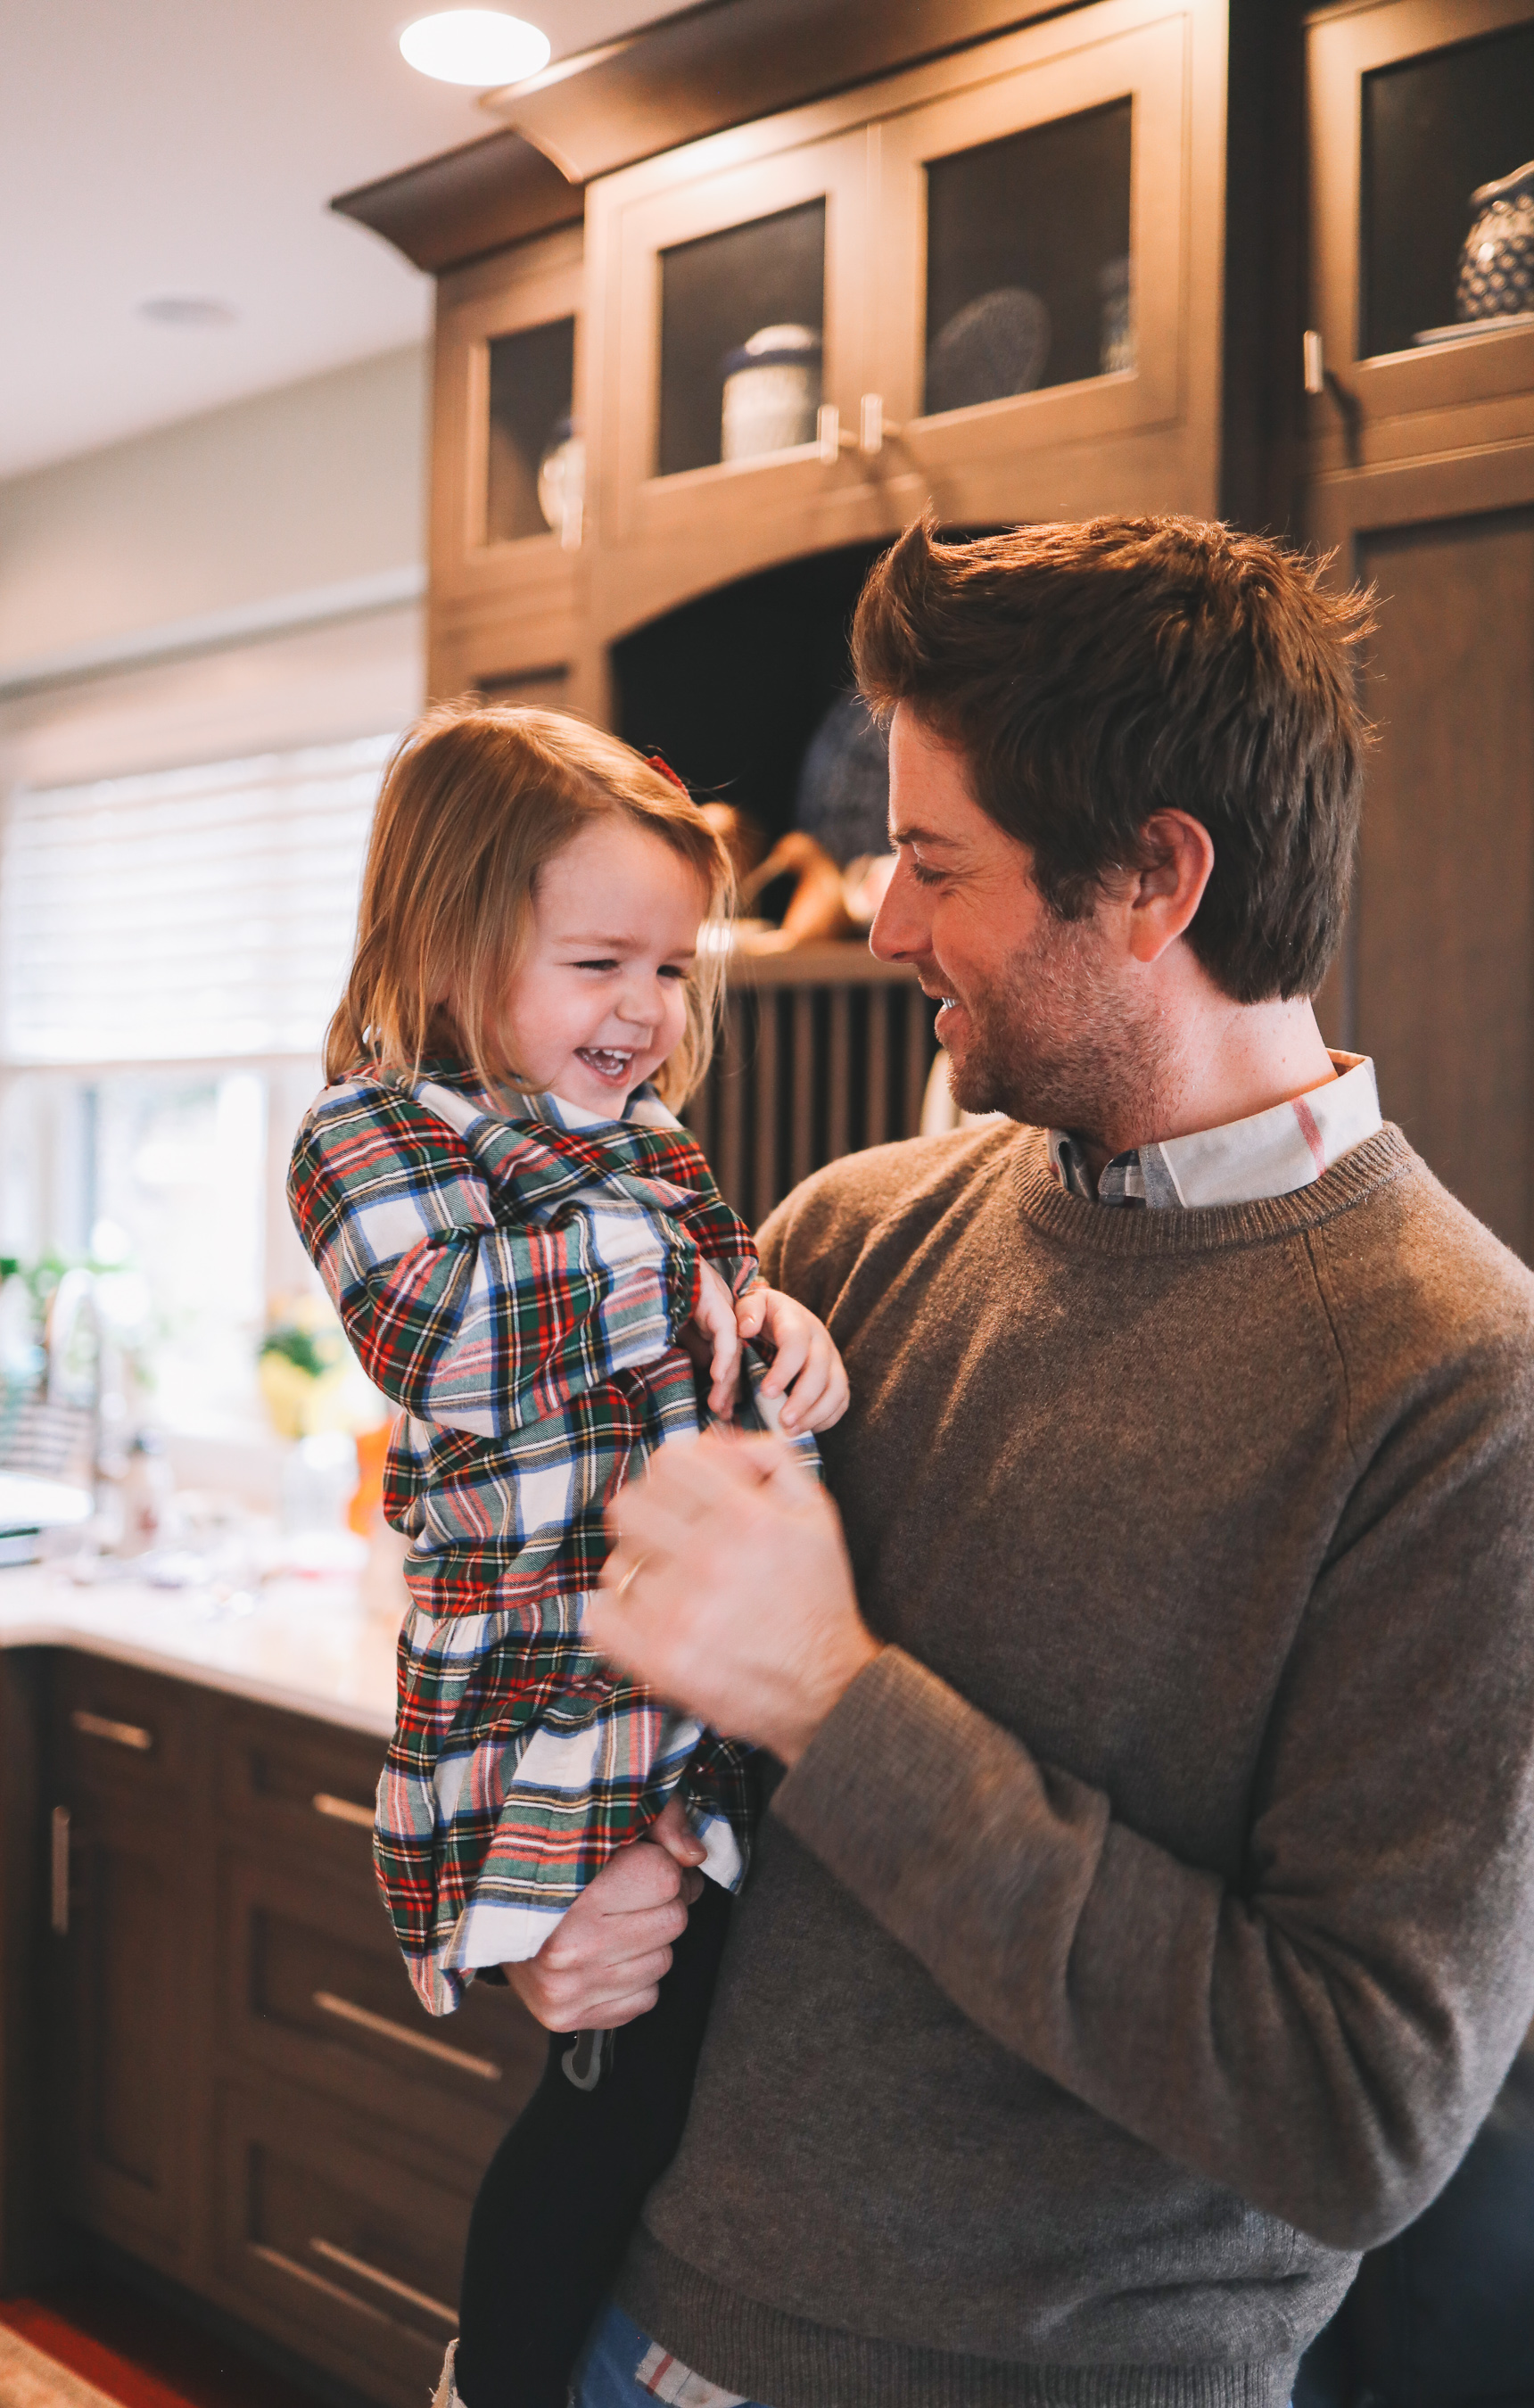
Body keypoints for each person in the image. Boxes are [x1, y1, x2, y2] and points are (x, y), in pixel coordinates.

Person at [499, 515, 1534, 2408]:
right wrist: (551, 1897)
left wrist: (837, 1697)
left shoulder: (1461, 1385)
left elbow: (1362, 2110)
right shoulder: (840, 1242)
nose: (884, 920)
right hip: (625, 2320)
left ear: (1153, 877)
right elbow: (631, 1727)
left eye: (931, 860)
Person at [285, 704, 847, 2408]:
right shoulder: (370, 1141)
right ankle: (502, 2382)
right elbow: (447, 1338)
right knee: (603, 2111)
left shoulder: (654, 1147)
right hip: (530, 1691)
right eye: (603, 960)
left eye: (674, 971)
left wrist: (781, 1316)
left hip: (677, 1671)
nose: (649, 1014)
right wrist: (670, 1286)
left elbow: (723, 1291)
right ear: (453, 944)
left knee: (682, 2079)